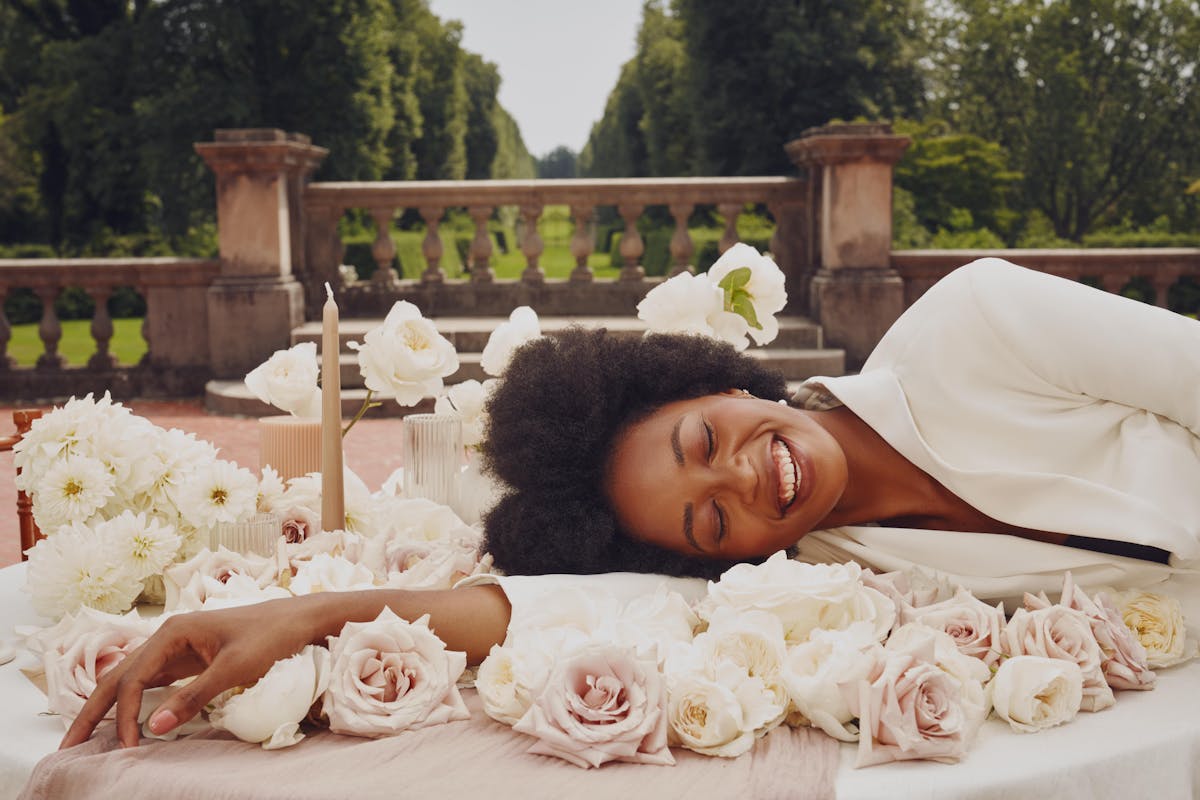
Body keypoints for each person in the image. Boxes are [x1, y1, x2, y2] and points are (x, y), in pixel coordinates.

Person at [60, 257, 1200, 749]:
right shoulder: (820, 571)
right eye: (710, 520)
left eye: (705, 438)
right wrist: (310, 616)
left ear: (709, 379)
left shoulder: (976, 322)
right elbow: (559, 611)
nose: (748, 478)